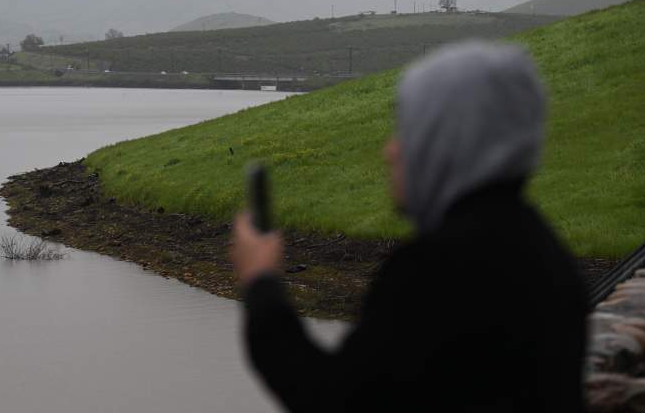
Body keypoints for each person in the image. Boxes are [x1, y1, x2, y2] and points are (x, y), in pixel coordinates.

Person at [230, 41, 589, 412]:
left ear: (448, 141)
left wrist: (261, 283)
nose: (391, 150)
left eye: (410, 130)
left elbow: (333, 398)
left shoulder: (438, 270)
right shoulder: (544, 250)